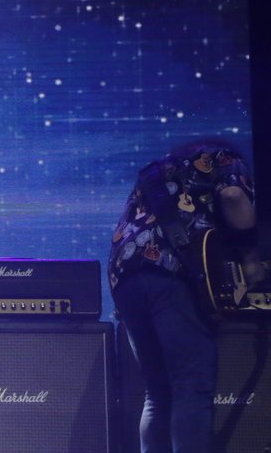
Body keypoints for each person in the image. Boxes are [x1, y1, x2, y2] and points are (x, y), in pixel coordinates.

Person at [108, 139, 265, 453]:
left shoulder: (157, 171)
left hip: (125, 276)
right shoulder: (224, 156)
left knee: (157, 394)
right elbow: (233, 196)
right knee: (191, 386)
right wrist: (250, 258)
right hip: (171, 275)